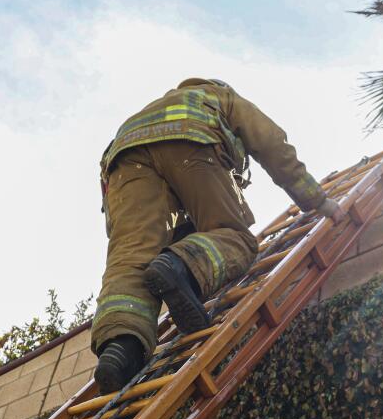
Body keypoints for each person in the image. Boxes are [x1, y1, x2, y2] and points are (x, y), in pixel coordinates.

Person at [92, 77, 344, 394]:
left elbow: (128, 231)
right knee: (235, 238)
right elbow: (269, 140)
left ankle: (121, 347)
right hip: (190, 138)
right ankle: (182, 268)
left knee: (131, 258)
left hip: (122, 159)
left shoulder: (147, 113)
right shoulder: (217, 95)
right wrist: (316, 200)